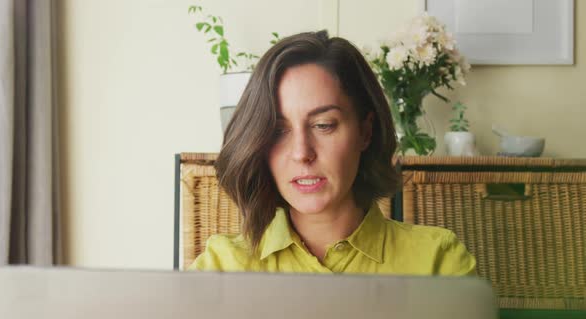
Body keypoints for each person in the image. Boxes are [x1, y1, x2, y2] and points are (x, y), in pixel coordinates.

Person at [190, 31, 476, 275]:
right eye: (279, 131)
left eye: (324, 125)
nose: (302, 153)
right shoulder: (222, 267)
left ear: (365, 132)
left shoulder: (437, 262)